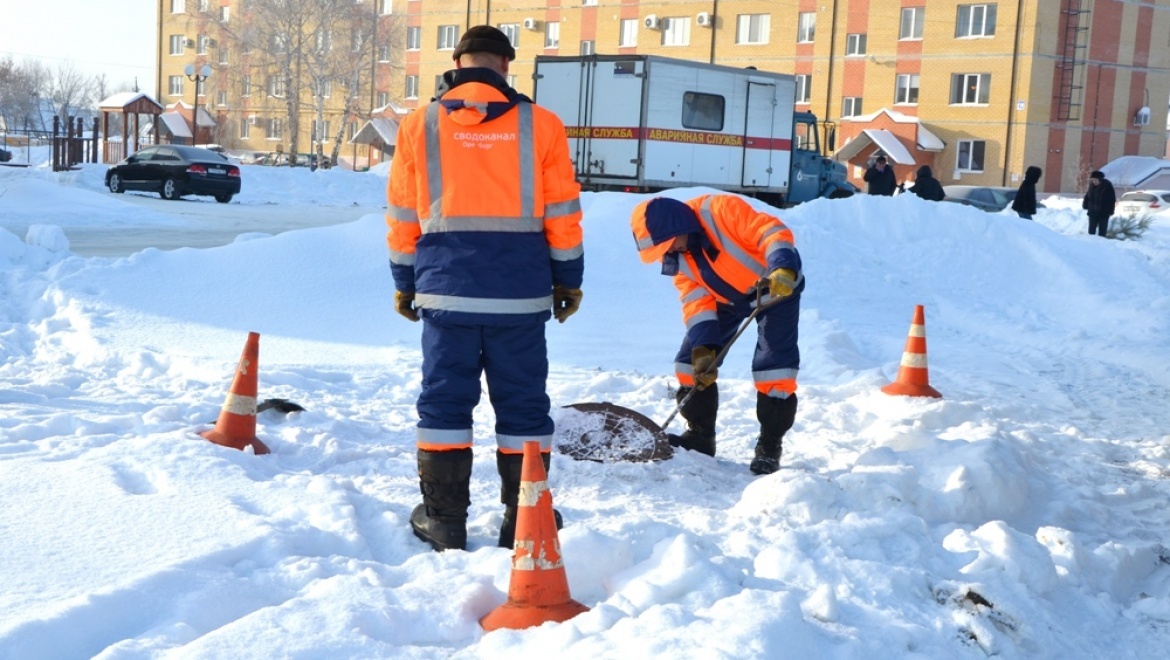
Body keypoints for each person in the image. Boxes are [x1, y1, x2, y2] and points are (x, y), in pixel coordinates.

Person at [386, 26, 584, 552]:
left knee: (445, 404)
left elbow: (403, 214)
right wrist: (568, 280)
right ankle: (523, 520)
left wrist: (405, 282)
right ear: (504, 65)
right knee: (522, 406)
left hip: (445, 291)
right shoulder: (541, 125)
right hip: (519, 295)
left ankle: (444, 520)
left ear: (458, 61)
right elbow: (563, 211)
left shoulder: (418, 124)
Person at [630, 194, 803, 476]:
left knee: (774, 369)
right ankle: (700, 437)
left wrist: (783, 266)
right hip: (726, 298)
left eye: (666, 244)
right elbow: (695, 299)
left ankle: (770, 446)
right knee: (690, 365)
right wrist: (704, 346)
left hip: (776, 288)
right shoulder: (678, 257)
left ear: (678, 227)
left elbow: (770, 230)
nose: (667, 251)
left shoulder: (719, 211)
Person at [1082, 170, 1116, 237]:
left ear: (1100, 180)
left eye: (1095, 180)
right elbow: (1087, 196)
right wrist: (1085, 204)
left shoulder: (1107, 186)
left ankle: (1101, 245)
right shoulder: (1091, 186)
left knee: (1102, 232)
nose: (1094, 182)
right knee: (1091, 232)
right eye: (1093, 180)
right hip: (1092, 212)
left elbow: (1112, 199)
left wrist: (1110, 210)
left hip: (1103, 212)